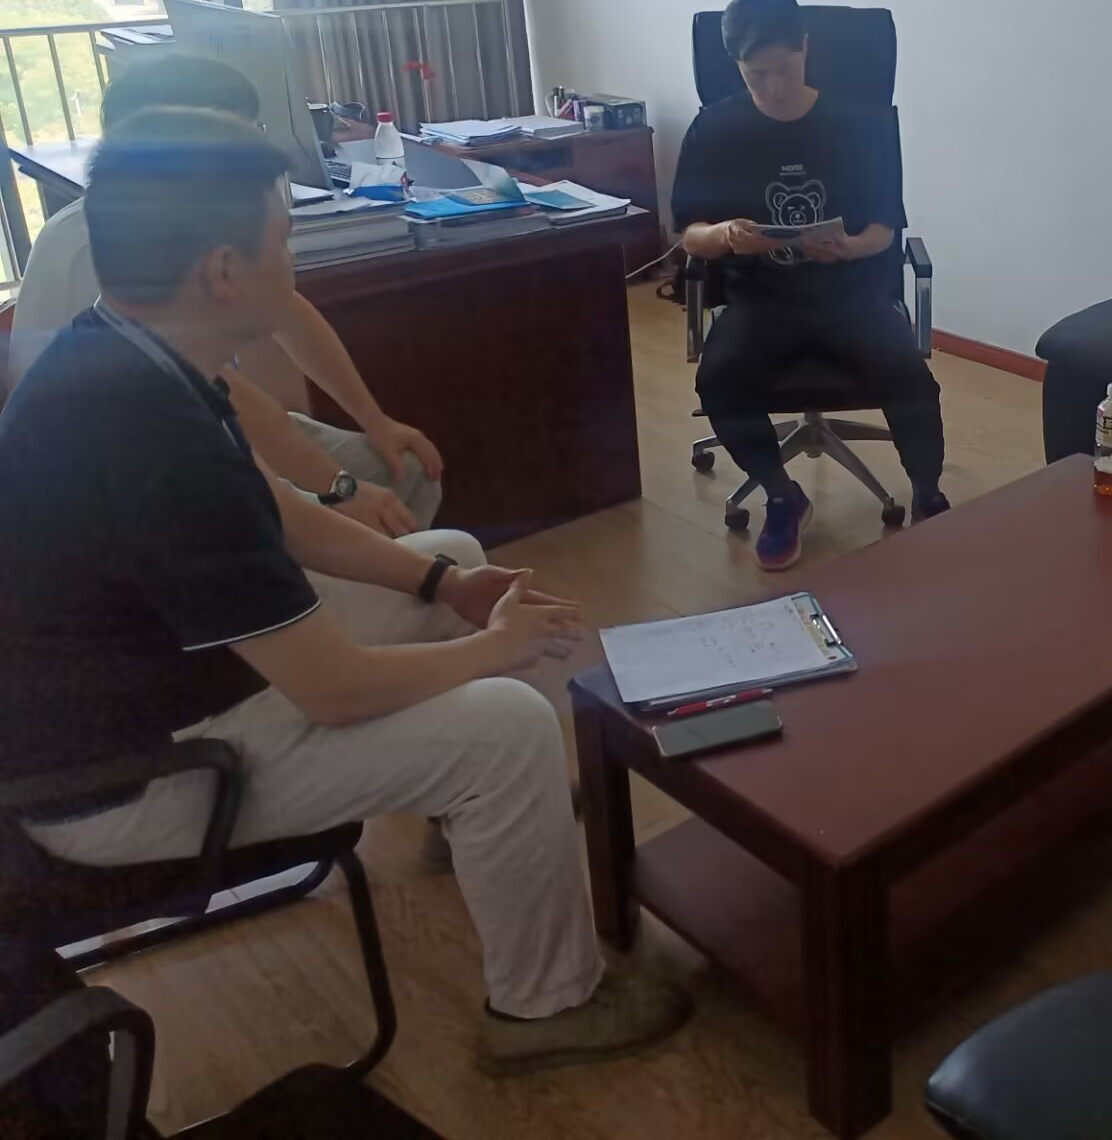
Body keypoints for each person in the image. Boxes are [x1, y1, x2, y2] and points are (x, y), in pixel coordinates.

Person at [0, 109, 687, 1073]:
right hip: (125, 784)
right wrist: (496, 647)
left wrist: (446, 581)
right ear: (224, 271)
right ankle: (544, 1006)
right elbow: (332, 690)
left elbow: (273, 508)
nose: (294, 261)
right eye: (284, 238)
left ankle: (471, 819)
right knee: (507, 725)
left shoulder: (117, 351)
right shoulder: (154, 441)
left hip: (147, 696)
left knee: (446, 553)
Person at [7, 57, 443, 536]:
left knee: (405, 473)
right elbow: (222, 397)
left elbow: (286, 312)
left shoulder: (180, 217)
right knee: (396, 524)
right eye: (238, 133)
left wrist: (376, 422)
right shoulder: (105, 242)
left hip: (188, 431)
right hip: (120, 483)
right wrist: (339, 489)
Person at [673, 0, 947, 569]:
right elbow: (689, 234)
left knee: (909, 377)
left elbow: (886, 228)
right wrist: (724, 235)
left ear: (805, 47)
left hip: (850, 294)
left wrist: (851, 247)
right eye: (757, 74)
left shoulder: (858, 124)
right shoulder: (714, 129)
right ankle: (783, 495)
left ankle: (927, 491)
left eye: (785, 69)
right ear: (735, 65)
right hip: (760, 298)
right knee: (720, 380)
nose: (774, 85)